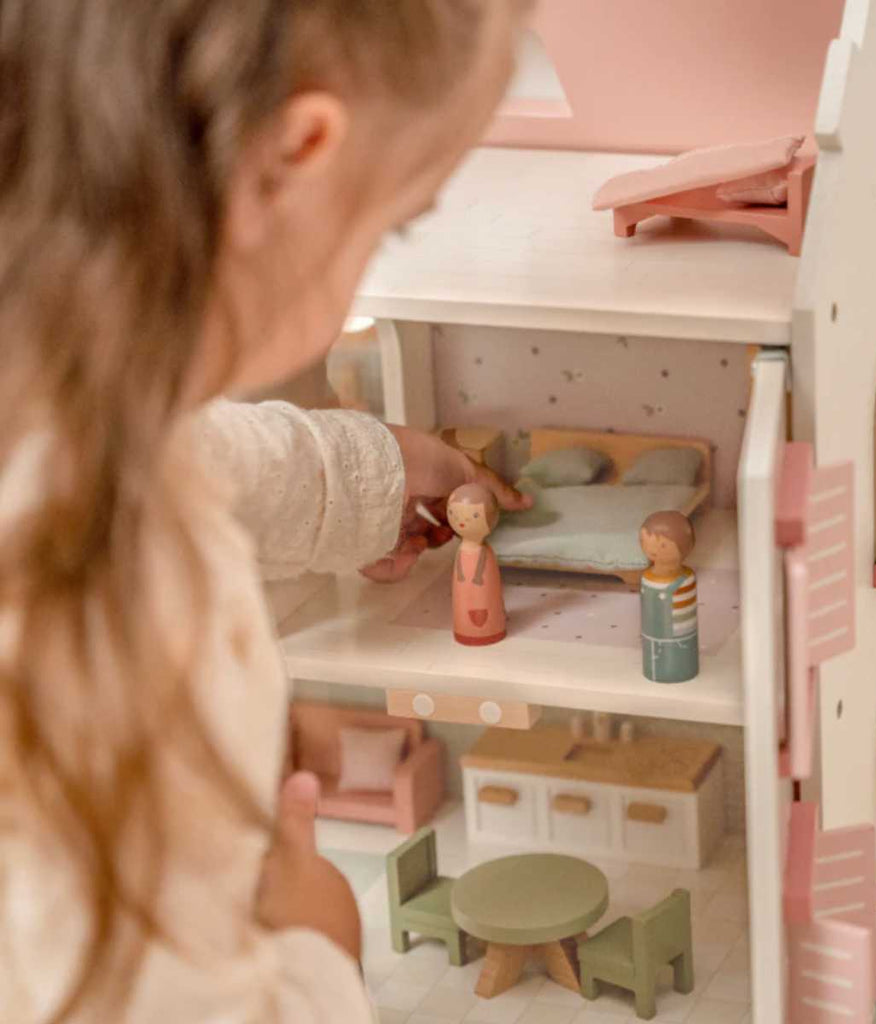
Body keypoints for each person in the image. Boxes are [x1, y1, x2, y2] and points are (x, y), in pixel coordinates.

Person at [0, 2, 532, 1021]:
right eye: (393, 221)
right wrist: (314, 956)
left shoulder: (58, 401)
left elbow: (218, 456)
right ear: (290, 160)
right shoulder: (111, 610)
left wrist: (374, 476)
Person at [639, 511, 700, 683]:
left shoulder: (685, 580)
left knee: (679, 653)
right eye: (645, 540)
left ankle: (676, 671)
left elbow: (685, 621)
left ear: (685, 547)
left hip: (680, 642)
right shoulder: (647, 579)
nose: (653, 549)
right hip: (653, 639)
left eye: (663, 545)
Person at [447, 483, 507, 645]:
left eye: (473, 516)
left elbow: (482, 567)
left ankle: (489, 630)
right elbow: (460, 565)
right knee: (463, 604)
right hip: (464, 585)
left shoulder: (485, 552)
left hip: (479, 584)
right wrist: (461, 575)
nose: (461, 521)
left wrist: (477, 577)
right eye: (454, 513)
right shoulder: (462, 549)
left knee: (485, 602)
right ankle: (468, 630)